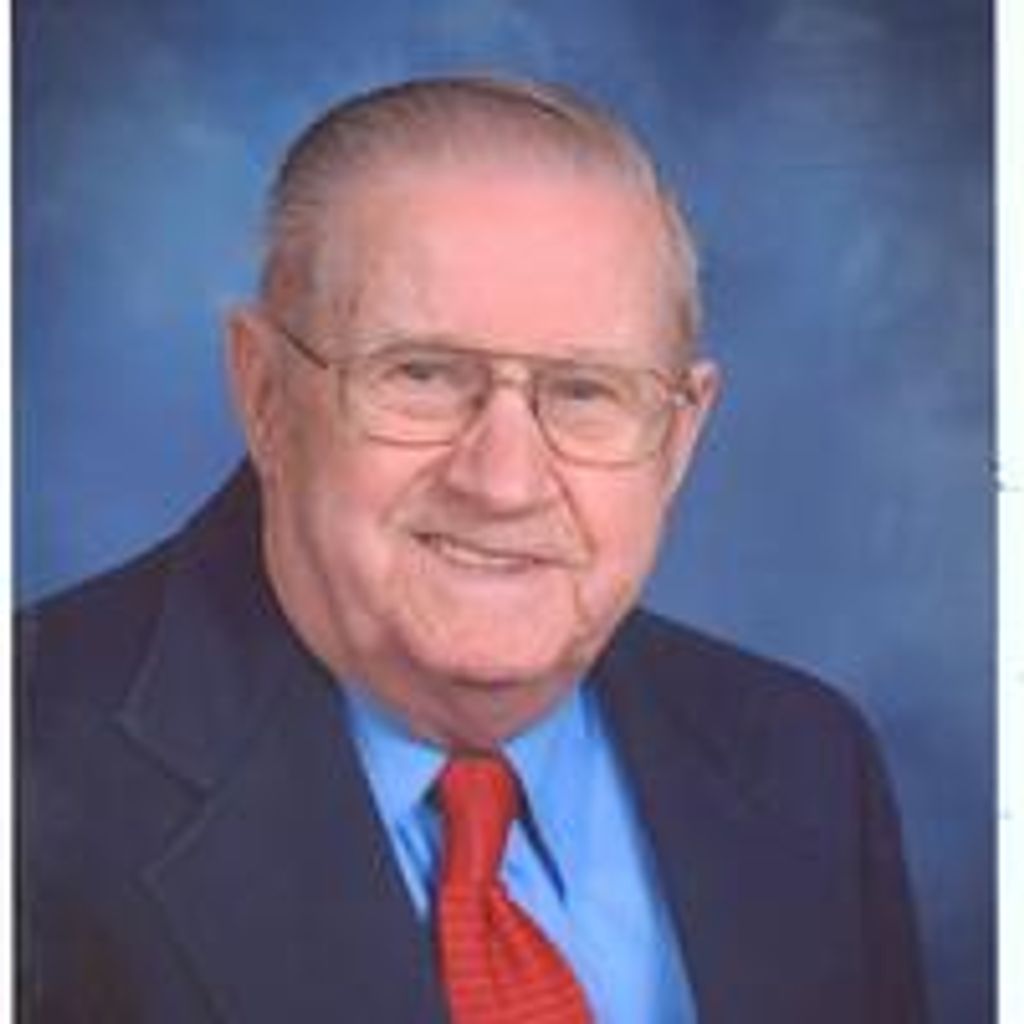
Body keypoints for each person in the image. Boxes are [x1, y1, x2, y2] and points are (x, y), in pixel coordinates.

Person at [18, 75, 928, 1023]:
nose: (503, 482)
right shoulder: (32, 768)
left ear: (680, 436)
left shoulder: (809, 763)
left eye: (584, 391)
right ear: (266, 395)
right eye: (421, 374)